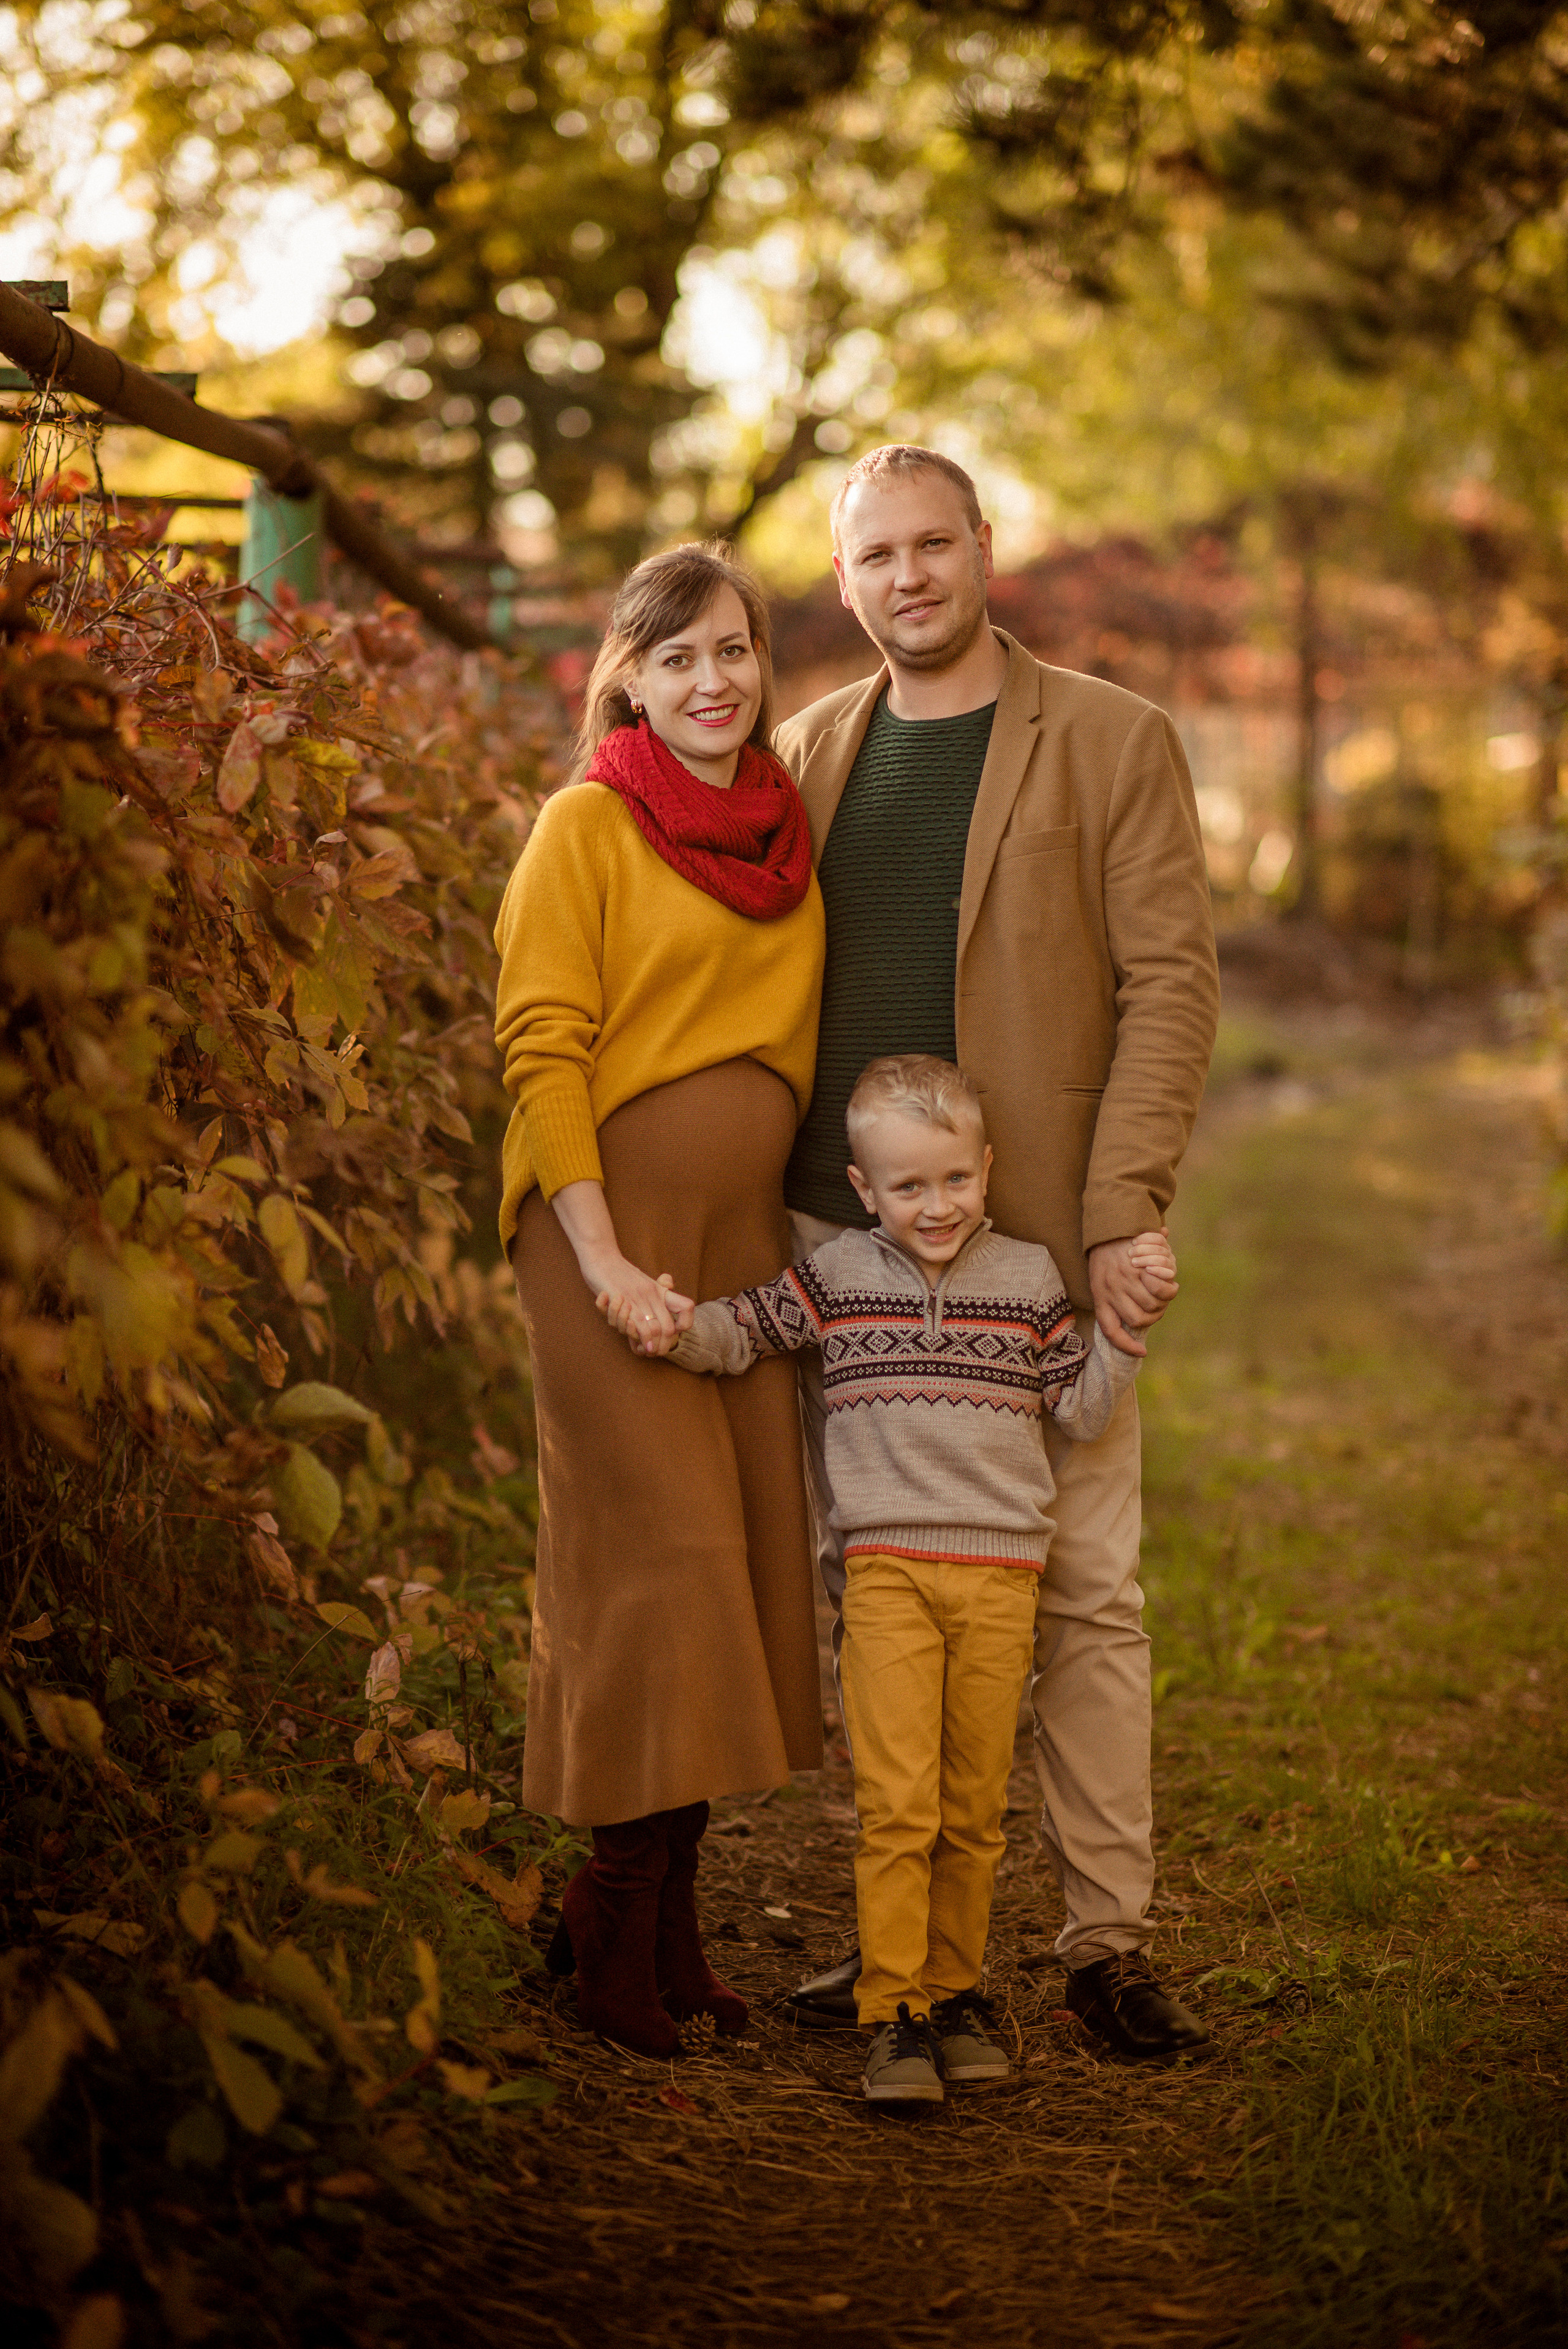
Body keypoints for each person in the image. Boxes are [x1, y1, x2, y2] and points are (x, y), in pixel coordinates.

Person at [777, 445, 1218, 2059]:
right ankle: (903, 1940)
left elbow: (1172, 982)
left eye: (933, 544)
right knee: (873, 1590)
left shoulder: (1112, 741)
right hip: (849, 1254)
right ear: (848, 579)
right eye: (877, 553)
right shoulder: (808, 751)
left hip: (1038, 1248)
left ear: (984, 551)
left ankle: (1106, 1939)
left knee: (1088, 1589)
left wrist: (1125, 1210)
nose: (908, 576)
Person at [608, 1054, 1178, 2103]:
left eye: (956, 1180)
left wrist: (1127, 1334)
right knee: (899, 1803)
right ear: (864, 1191)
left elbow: (1083, 1411)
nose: (937, 1205)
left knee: (972, 1807)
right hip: (888, 1579)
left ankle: (958, 1993)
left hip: (1003, 1577)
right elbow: (739, 1334)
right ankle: (896, 2011)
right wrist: (659, 1315)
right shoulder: (837, 1280)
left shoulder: (1029, 1282)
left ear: (988, 1167)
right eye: (908, 1186)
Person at [492, 541, 826, 2059]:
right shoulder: (586, 824)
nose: (713, 681)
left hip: (741, 1246)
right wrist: (603, 1253)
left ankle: (668, 1917)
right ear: (625, 675)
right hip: (606, 1232)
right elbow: (541, 1045)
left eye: (736, 650)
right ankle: (608, 1912)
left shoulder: (782, 834)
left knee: (737, 1570)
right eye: (679, 656)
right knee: (658, 1567)